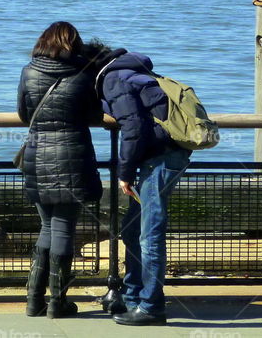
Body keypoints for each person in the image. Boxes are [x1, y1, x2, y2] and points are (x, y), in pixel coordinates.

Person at [92, 45, 191, 327]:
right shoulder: (136, 73)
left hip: (160, 160)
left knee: (149, 235)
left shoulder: (115, 79)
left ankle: (151, 307)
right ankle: (133, 297)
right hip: (163, 156)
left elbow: (134, 128)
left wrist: (124, 173)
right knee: (132, 230)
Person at [17, 21, 103, 318]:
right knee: (64, 228)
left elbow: (22, 113)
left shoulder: (29, 71)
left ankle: (33, 301)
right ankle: (57, 303)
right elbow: (94, 113)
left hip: (37, 156)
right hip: (72, 158)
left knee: (47, 227)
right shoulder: (83, 75)